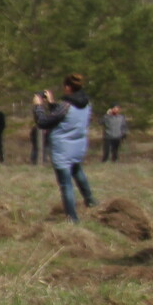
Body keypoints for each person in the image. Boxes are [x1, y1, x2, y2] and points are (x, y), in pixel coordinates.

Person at [33, 75, 95, 222]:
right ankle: (91, 201)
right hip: (78, 146)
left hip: (62, 148)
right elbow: (65, 117)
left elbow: (43, 122)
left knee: (65, 184)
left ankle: (72, 218)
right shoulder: (85, 103)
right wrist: (52, 103)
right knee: (77, 171)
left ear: (67, 87)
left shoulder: (65, 105)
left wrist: (38, 106)